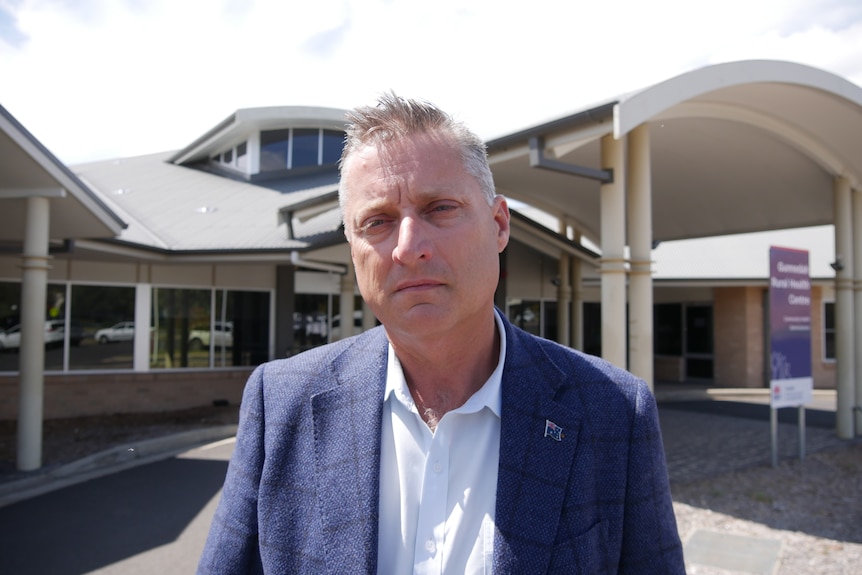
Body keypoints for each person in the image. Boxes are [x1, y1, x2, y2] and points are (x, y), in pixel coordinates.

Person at [198, 93, 685, 574]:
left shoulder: (613, 411)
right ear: (352, 247)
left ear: (498, 225)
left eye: (439, 208)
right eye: (378, 221)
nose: (408, 248)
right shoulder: (279, 402)